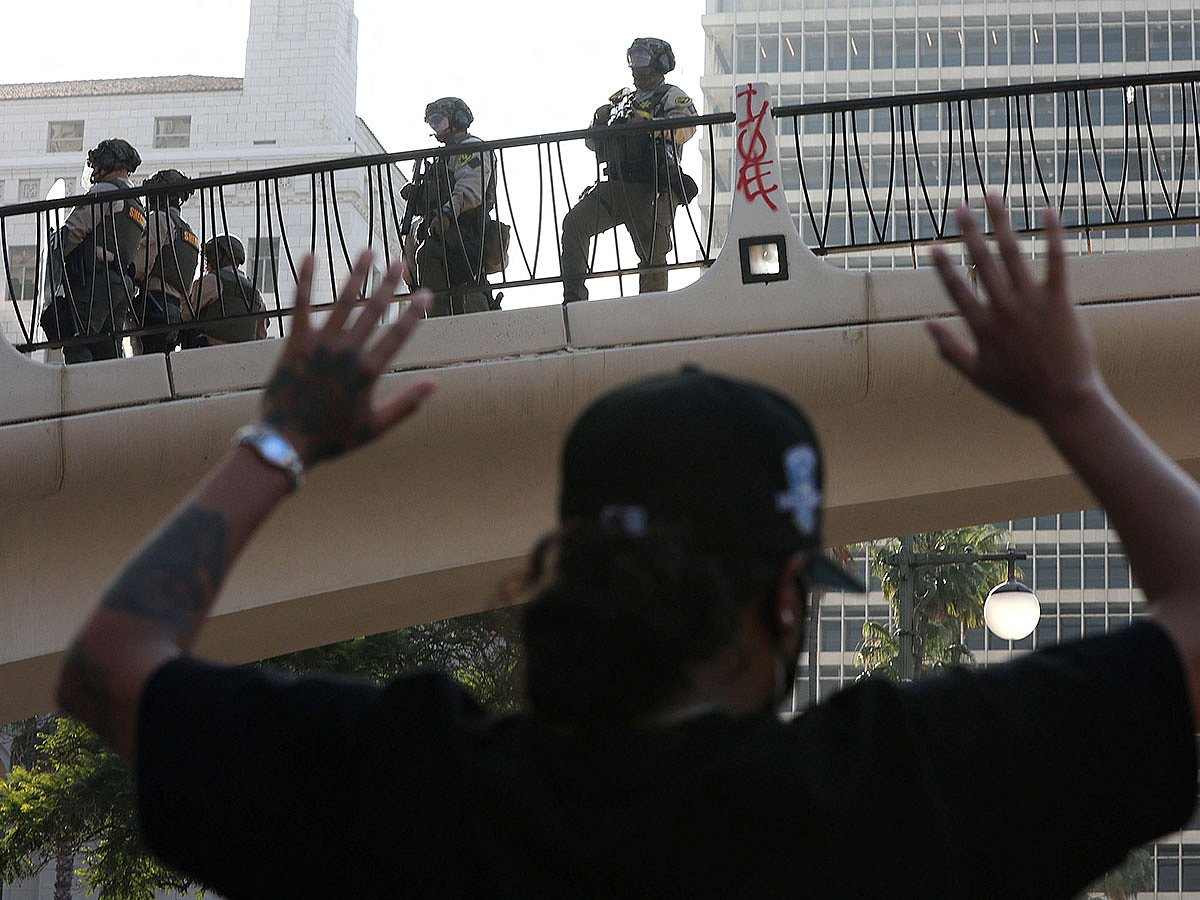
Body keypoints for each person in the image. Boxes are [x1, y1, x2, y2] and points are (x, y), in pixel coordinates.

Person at [57, 196, 1200, 899]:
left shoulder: (416, 791)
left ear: (569, 567)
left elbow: (109, 665)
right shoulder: (903, 795)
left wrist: (282, 436)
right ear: (785, 598)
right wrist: (1075, 402)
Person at [560, 38, 698, 304]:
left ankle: (652, 312)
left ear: (660, 63)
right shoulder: (623, 99)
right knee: (575, 223)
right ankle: (574, 299)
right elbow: (592, 144)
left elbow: (685, 128)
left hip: (651, 185)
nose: (636, 67)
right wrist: (599, 123)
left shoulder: (670, 95)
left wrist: (645, 123)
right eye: (633, 59)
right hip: (617, 184)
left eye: (642, 59)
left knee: (653, 253)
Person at [45, 138, 146, 363]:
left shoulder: (104, 192)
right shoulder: (137, 205)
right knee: (108, 351)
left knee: (76, 342)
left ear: (108, 162)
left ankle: (80, 395)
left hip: (96, 282)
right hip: (122, 286)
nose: (95, 170)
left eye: (98, 164)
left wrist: (56, 245)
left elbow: (75, 231)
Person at [402, 97, 497, 316]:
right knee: (414, 260)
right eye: (432, 123)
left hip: (467, 232)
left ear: (458, 119)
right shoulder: (444, 157)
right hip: (443, 232)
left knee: (430, 257)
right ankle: (434, 317)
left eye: (439, 120)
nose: (436, 128)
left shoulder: (470, 149)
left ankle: (440, 324)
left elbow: (469, 190)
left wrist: (446, 213)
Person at [131, 169, 200, 355]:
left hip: (154, 306)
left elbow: (141, 264)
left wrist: (124, 270)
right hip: (174, 311)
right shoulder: (189, 234)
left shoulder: (159, 220)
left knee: (146, 365)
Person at [181, 235, 268, 348]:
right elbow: (261, 335)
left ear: (221, 256)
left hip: (205, 353)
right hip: (242, 357)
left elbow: (185, 313)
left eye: (212, 255)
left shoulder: (213, 280)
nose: (208, 262)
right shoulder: (255, 293)